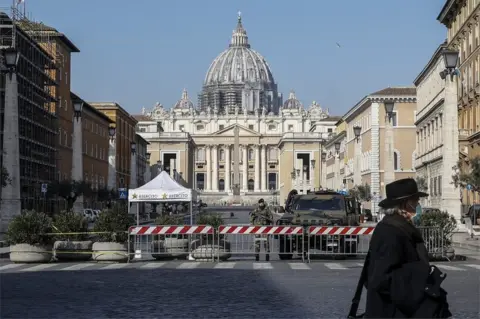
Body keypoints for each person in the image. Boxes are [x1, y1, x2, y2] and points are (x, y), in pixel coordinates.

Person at [352, 178, 451, 318]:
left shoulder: (398, 227)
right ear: (406, 204)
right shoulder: (391, 231)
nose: (418, 204)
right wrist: (420, 277)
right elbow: (382, 278)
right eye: (416, 200)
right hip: (394, 311)